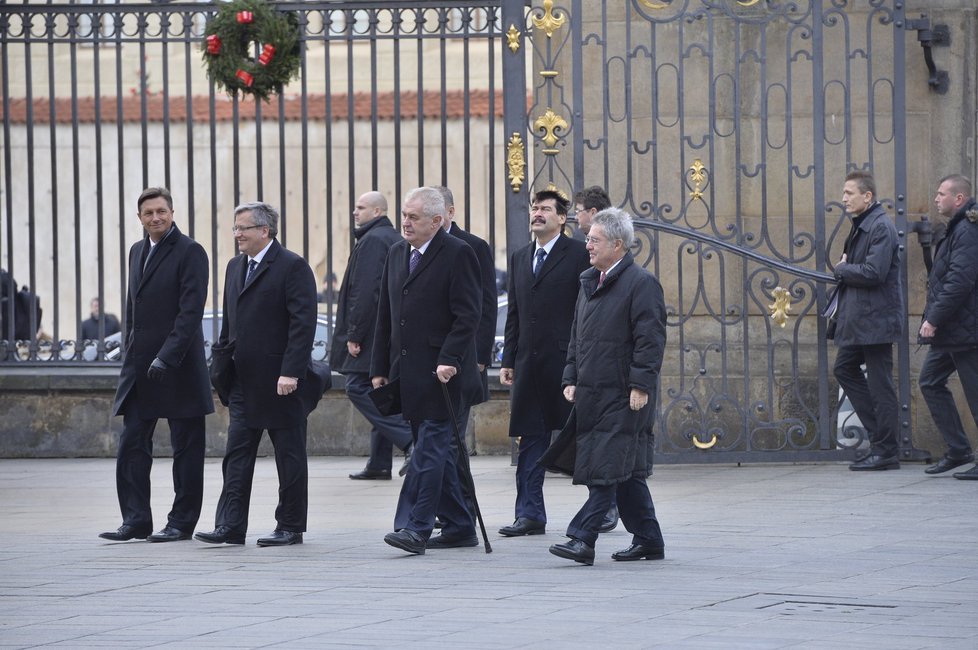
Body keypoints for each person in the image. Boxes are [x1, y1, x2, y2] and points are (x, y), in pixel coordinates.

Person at [543, 208, 667, 565]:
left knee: (607, 469)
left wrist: (641, 384)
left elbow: (650, 339)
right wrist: (570, 377)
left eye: (594, 240)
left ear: (617, 244)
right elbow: (577, 337)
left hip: (625, 395)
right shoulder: (590, 282)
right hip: (593, 393)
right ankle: (649, 539)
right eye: (589, 240)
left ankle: (582, 539)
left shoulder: (641, 284)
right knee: (625, 472)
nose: (588, 246)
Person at [195, 201, 319, 547]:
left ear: (265, 231)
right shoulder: (236, 267)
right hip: (243, 381)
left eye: (243, 228)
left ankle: (290, 525)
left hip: (281, 382)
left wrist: (291, 372)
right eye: (235, 228)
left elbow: (302, 324)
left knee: (289, 457)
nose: (237, 235)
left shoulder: (292, 266)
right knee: (236, 455)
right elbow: (229, 323)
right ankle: (230, 526)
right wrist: (221, 366)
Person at [372, 186, 484, 554]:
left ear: (437, 221)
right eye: (404, 215)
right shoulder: (396, 253)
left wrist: (450, 358)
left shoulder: (458, 253)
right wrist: (379, 368)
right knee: (437, 451)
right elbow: (386, 313)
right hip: (410, 373)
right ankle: (459, 525)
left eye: (414, 217)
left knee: (430, 450)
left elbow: (468, 314)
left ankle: (416, 527)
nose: (405, 222)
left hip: (443, 373)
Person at [99, 187, 213, 543]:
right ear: (140, 218)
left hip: (177, 366)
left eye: (161, 211)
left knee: (186, 449)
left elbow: (191, 311)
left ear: (172, 212)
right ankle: (135, 520)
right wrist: (129, 353)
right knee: (131, 444)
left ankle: (181, 523)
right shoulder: (136, 251)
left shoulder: (191, 251)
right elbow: (134, 310)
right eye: (148, 213)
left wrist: (167, 355)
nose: (156, 218)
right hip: (139, 368)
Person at [498, 189, 589, 537]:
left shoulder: (579, 254)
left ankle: (606, 502)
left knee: (581, 437)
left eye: (546, 209)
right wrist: (509, 357)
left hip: (567, 365)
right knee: (530, 441)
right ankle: (530, 513)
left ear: (562, 219)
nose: (537, 214)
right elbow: (515, 312)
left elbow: (587, 309)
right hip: (529, 366)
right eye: (534, 208)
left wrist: (580, 361)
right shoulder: (521, 257)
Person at [330, 191, 413, 481]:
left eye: (361, 208)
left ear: (377, 212)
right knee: (381, 391)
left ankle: (408, 440)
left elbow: (365, 291)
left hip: (371, 333)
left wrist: (355, 333)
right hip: (388, 329)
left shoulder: (374, 241)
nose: (355, 212)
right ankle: (379, 463)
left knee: (357, 386)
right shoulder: (390, 237)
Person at [831, 170, 904, 471]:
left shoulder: (880, 227)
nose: (844, 198)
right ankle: (881, 440)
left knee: (881, 386)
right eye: (845, 192)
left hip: (876, 320)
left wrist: (843, 269)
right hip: (864, 320)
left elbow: (874, 273)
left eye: (850, 193)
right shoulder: (864, 224)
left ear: (868, 196)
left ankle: (886, 450)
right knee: (844, 368)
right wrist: (847, 268)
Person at [917, 175, 978, 479]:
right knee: (929, 381)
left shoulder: (967, 229)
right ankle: (958, 450)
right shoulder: (956, 228)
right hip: (953, 330)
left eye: (942, 194)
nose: (936, 198)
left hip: (965, 331)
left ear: (959, 198)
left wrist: (933, 319)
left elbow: (960, 281)